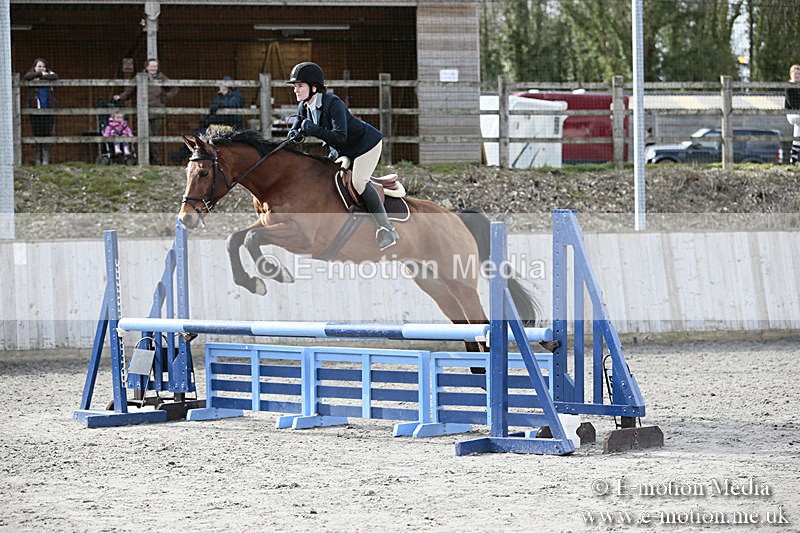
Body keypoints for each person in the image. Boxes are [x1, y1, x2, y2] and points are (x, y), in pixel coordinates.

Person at [286, 62, 398, 251]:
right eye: (295, 86)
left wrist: (313, 130)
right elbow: (297, 126)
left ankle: (387, 229)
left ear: (314, 87)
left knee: (359, 182)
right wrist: (293, 134)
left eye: (300, 86)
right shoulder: (303, 106)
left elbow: (340, 136)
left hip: (365, 146)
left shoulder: (333, 103)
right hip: (342, 150)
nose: (296, 90)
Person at [113, 58, 178, 164]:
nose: (153, 68)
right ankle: (147, 161)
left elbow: (175, 88)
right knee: (146, 136)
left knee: (154, 137)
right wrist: (121, 97)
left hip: (157, 111)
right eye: (152, 66)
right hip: (143, 112)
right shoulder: (140, 77)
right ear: (147, 67)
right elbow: (130, 90)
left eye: (155, 66)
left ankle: (154, 161)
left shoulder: (161, 77)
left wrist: (165, 97)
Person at [172, 77, 244, 164]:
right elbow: (212, 109)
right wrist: (204, 120)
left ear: (227, 86)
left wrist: (220, 103)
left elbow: (233, 105)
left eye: (221, 84)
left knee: (202, 135)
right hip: (217, 125)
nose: (219, 86)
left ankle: (183, 157)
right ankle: (180, 157)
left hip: (230, 126)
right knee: (197, 135)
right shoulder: (218, 96)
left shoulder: (236, 95)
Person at [24, 57, 58, 165]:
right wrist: (40, 74)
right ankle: (37, 159)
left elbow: (55, 76)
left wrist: (45, 75)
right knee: (36, 134)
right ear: (34, 67)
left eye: (43, 66)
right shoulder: (33, 77)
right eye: (39, 66)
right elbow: (27, 77)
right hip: (35, 111)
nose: (41, 68)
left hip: (48, 110)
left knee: (47, 134)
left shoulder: (49, 76)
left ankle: (45, 160)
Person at [785, 64, 800, 165]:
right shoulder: (789, 86)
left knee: (797, 135)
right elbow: (792, 103)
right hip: (792, 114)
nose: (797, 76)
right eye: (796, 74)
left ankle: (793, 160)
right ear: (791, 74)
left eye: (799, 74)